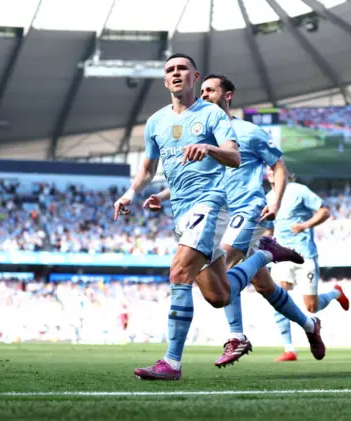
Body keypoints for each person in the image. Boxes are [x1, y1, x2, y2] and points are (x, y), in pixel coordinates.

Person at [113, 54, 307, 381]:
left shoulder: (214, 115)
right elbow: (148, 168)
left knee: (178, 272)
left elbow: (233, 155)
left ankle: (172, 362)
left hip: (211, 204)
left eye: (182, 69)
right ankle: (264, 254)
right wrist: (131, 193)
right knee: (219, 295)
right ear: (165, 81)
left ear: (194, 76)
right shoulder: (156, 122)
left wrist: (208, 148)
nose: (176, 74)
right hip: (183, 211)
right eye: (170, 70)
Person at [144, 74, 327, 367]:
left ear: (228, 95)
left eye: (210, 90)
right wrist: (163, 197)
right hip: (213, 212)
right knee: (264, 286)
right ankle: (308, 324)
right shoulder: (201, 131)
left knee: (225, 264)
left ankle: (237, 335)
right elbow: (192, 178)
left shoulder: (249, 132)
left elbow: (278, 167)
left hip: (244, 209)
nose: (203, 94)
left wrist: (275, 201)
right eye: (201, 90)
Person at [266, 170, 349, 362]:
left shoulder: (299, 190)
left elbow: (324, 211)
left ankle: (336, 293)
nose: (271, 171)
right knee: (277, 296)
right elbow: (269, 228)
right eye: (269, 169)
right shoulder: (268, 198)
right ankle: (289, 349)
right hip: (281, 254)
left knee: (312, 307)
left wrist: (304, 225)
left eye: (274, 169)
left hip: (304, 255)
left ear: (284, 173)